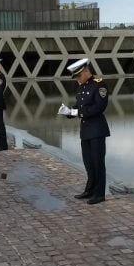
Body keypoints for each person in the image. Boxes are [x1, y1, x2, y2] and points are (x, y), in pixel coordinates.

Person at [58, 58, 110, 205]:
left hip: (97, 130)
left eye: (78, 76)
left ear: (86, 71)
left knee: (98, 162)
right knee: (88, 163)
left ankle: (99, 194)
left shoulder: (99, 85)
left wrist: (78, 113)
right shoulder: (81, 87)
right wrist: (68, 111)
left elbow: (99, 107)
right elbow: (79, 104)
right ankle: (90, 190)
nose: (77, 80)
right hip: (86, 130)